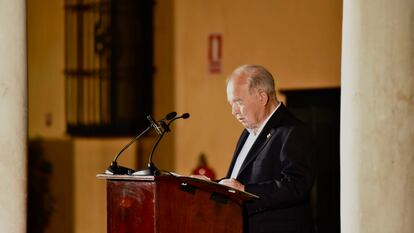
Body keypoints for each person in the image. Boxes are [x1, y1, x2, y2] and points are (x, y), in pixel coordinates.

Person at [219, 64, 315, 233]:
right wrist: (210, 186)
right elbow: (238, 181)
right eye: (231, 104)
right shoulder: (247, 133)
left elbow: (297, 185)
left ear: (262, 97)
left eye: (239, 102)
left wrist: (245, 191)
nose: (234, 111)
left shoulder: (293, 131)